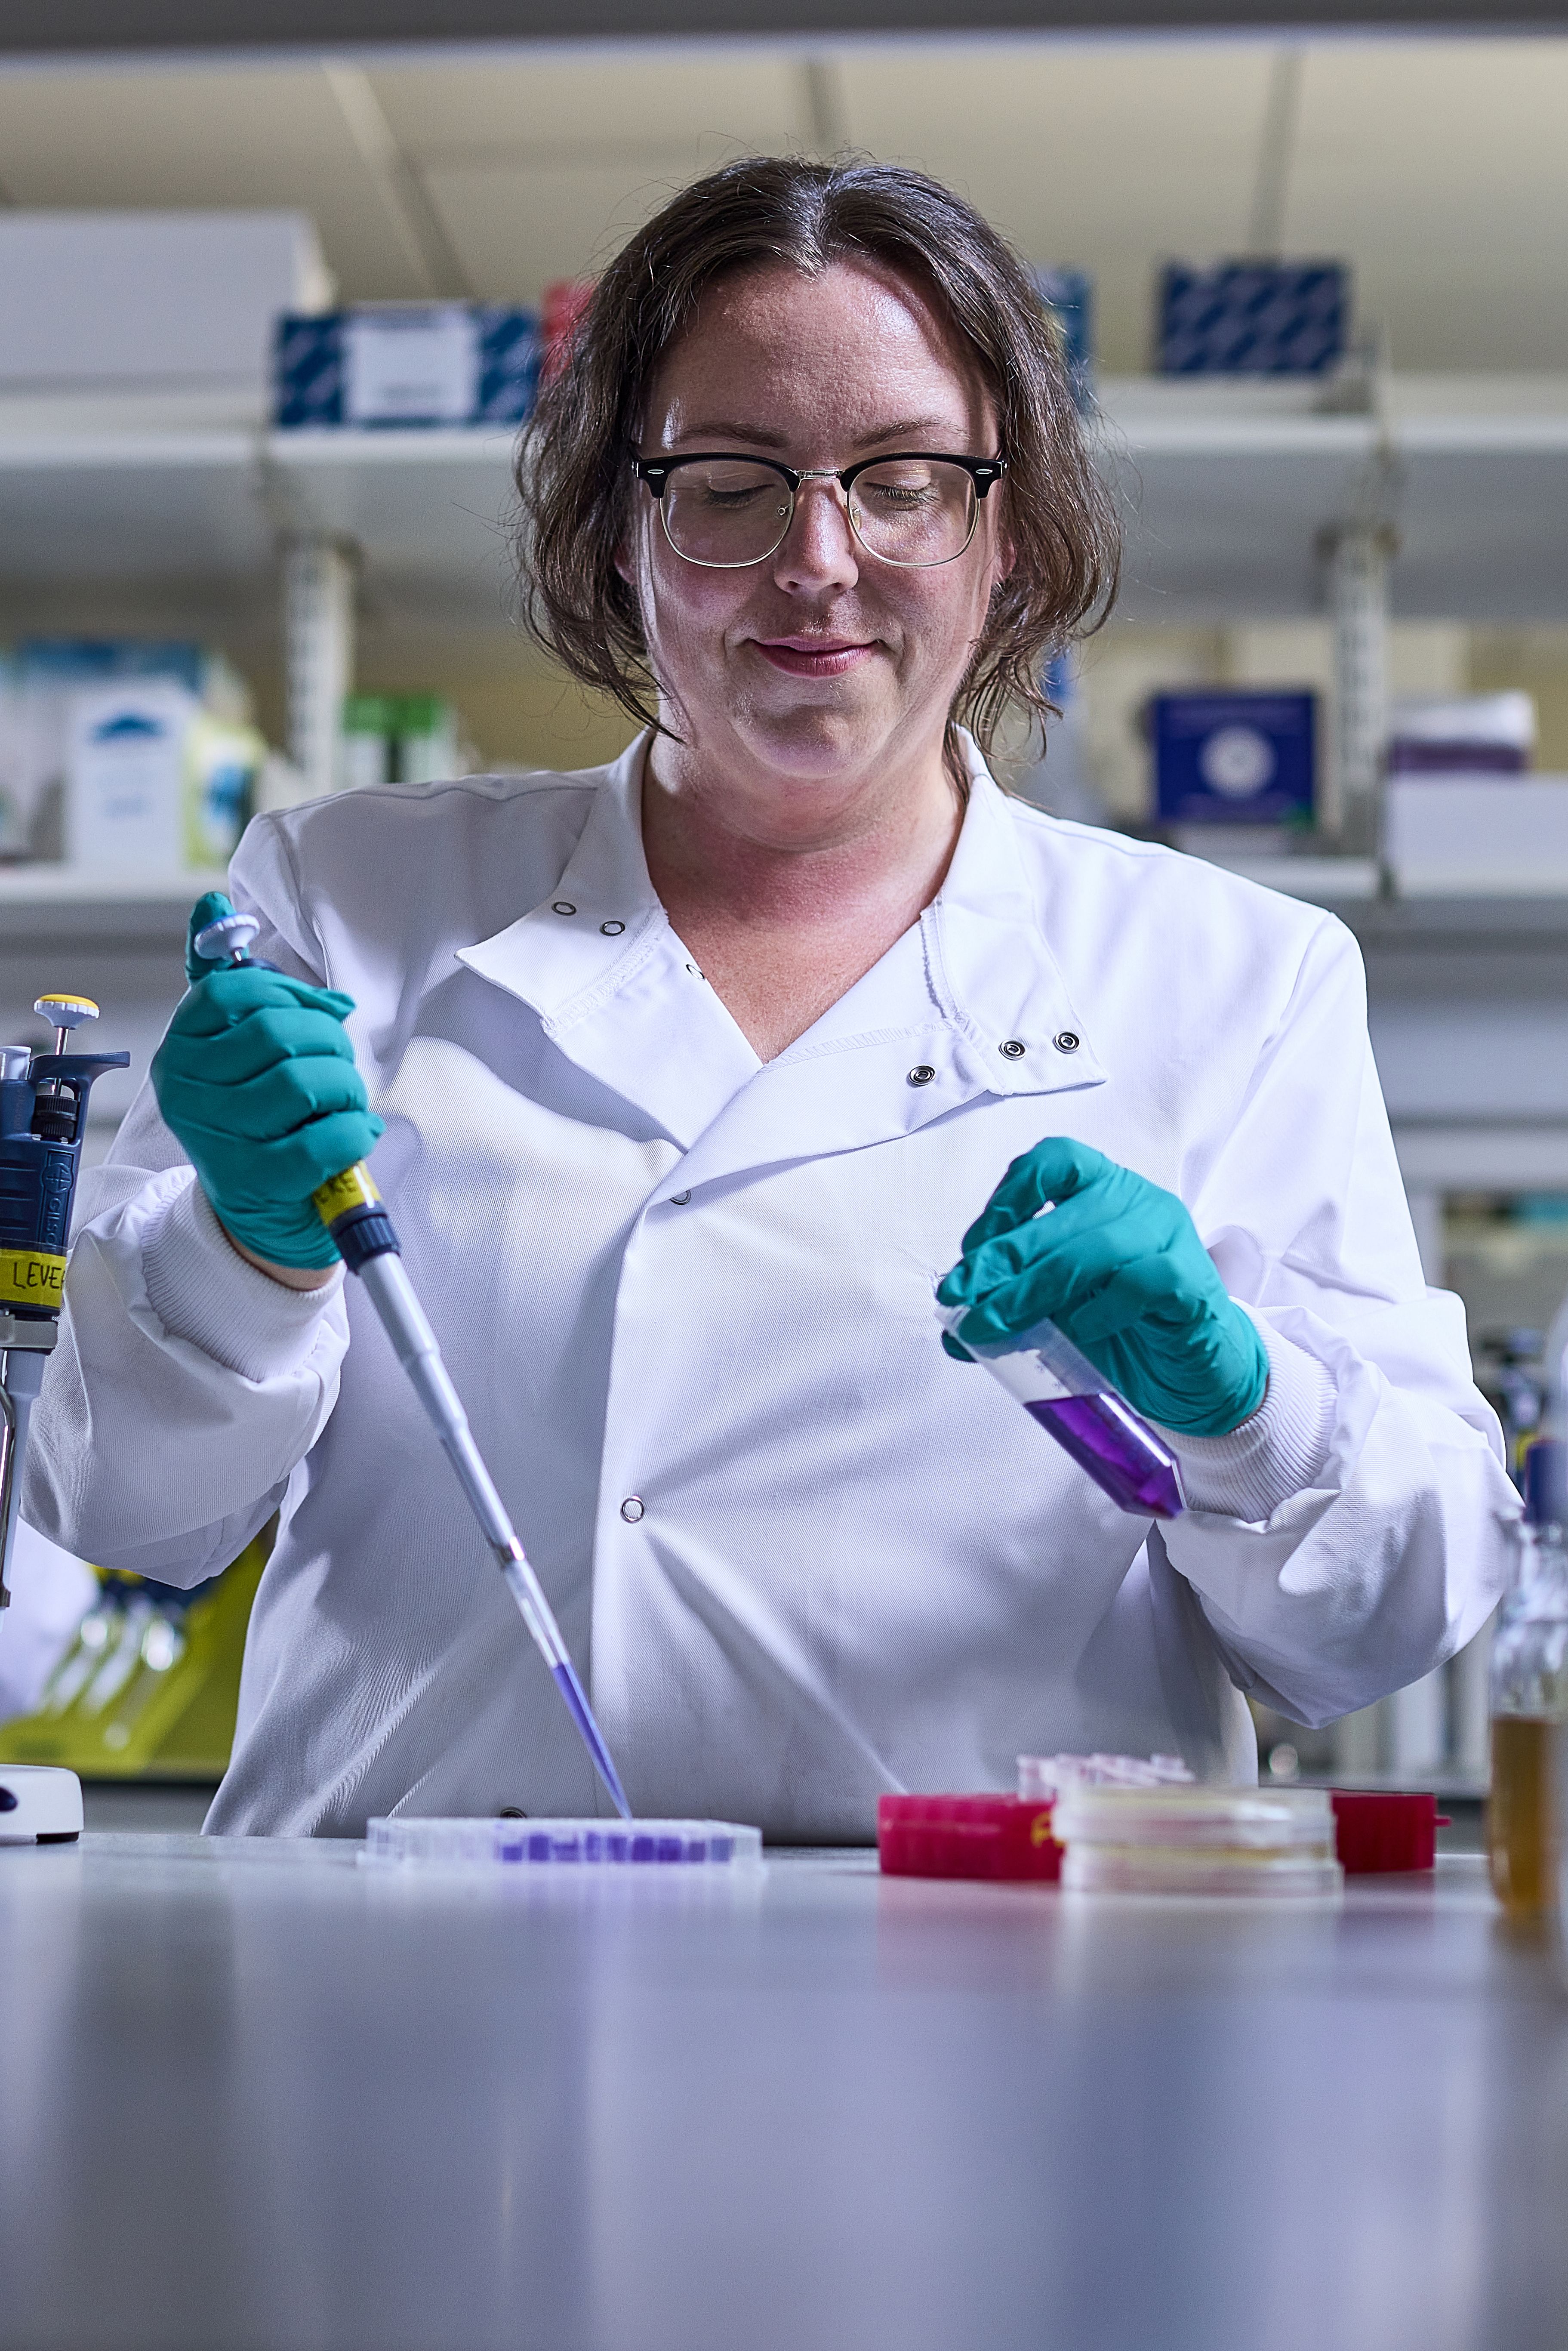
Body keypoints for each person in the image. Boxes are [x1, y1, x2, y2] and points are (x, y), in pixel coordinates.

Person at [25, 158, 1514, 1837]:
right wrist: (242, 1246)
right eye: (732, 483)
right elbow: (124, 1508)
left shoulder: (1234, 982)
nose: (820, 561)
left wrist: (1243, 1405)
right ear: (622, 530)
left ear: (1004, 535)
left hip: (1008, 2025)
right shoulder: (345, 902)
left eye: (902, 482)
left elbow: (1393, 1624)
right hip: (407, 1999)